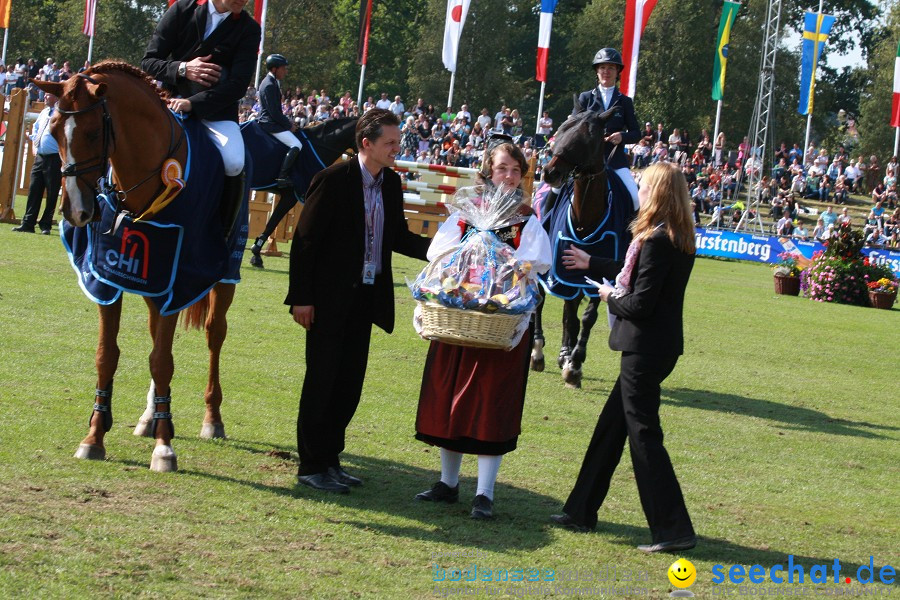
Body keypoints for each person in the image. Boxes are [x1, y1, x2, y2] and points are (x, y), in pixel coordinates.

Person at [550, 162, 697, 553]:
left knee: (644, 435)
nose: (640, 194)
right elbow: (639, 274)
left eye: (645, 188)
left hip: (645, 348)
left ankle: (672, 529)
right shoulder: (672, 236)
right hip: (654, 347)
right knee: (610, 429)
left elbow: (639, 302)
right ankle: (581, 510)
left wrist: (609, 296)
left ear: (659, 193)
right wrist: (592, 264)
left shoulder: (657, 239)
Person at [286, 109, 431, 493]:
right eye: (390, 143)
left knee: (349, 385)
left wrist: (443, 250)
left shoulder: (391, 184)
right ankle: (310, 465)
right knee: (322, 381)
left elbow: (399, 236)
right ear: (366, 143)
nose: (396, 149)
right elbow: (304, 243)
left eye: (398, 142)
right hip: (326, 300)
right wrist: (301, 298)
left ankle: (332, 460)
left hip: (366, 299)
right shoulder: (333, 179)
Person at [413, 142, 551, 520]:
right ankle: (448, 483)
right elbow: (438, 252)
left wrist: (503, 257)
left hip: (501, 321)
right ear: (488, 170)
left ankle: (485, 493)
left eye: (514, 170)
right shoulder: (466, 213)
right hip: (459, 315)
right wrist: (472, 249)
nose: (508, 177)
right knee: (449, 396)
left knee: (492, 402)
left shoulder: (525, 218)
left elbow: (540, 262)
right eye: (502, 168)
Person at [141, 0, 261, 234]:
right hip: (169, 102)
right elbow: (149, 62)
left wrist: (192, 104)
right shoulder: (181, 10)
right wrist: (183, 68)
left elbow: (238, 85)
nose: (244, 0)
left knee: (235, 162)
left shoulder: (249, 28)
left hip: (216, 112)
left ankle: (222, 235)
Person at [575, 47, 641, 208]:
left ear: (617, 71)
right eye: (603, 67)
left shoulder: (625, 101)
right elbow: (574, 129)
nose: (606, 71)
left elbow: (636, 133)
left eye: (611, 67)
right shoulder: (585, 98)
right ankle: (547, 222)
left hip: (615, 161)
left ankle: (632, 233)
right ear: (597, 70)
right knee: (555, 190)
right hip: (586, 161)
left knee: (635, 198)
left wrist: (622, 137)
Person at [12, 93, 61, 235]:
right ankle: (28, 223)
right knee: (34, 190)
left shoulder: (61, 112)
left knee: (52, 193)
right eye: (45, 95)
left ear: (56, 98)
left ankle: (46, 225)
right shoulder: (44, 112)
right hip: (40, 157)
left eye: (48, 95)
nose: (45, 97)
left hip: (55, 157)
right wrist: (35, 142)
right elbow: (36, 127)